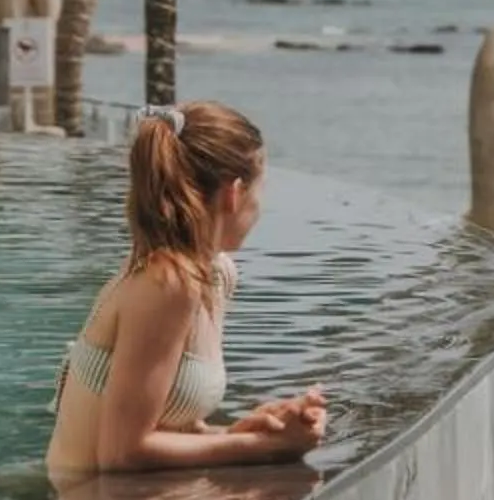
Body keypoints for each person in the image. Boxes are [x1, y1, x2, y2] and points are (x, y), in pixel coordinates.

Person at [45, 102, 326, 478]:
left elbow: (163, 424)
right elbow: (122, 453)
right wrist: (266, 447)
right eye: (262, 188)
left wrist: (240, 430)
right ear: (235, 192)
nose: (262, 206)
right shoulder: (167, 284)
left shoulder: (214, 274)